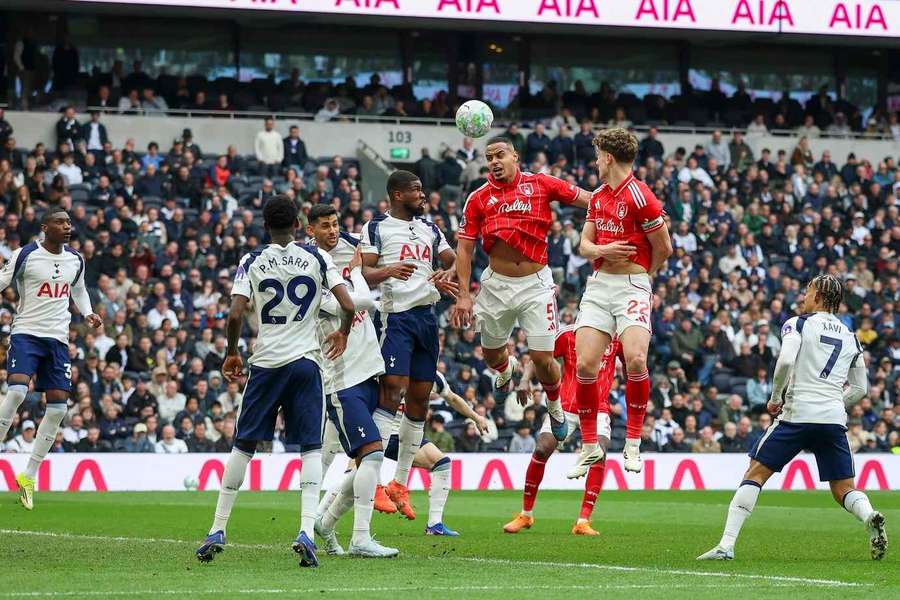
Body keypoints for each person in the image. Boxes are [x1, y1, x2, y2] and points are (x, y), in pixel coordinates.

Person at [195, 195, 355, 567]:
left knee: (244, 444)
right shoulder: (317, 258)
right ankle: (304, 528)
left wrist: (232, 351)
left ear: (265, 226)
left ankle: (218, 528)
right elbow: (348, 305)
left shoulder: (252, 260)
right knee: (310, 448)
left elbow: (236, 313)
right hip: (305, 364)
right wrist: (344, 332)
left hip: (266, 364)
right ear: (299, 225)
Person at [698, 275, 887, 562]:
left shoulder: (798, 323)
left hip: (797, 413)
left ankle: (726, 545)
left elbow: (786, 360)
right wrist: (836, 401)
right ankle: (869, 515)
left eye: (808, 291)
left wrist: (775, 398)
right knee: (843, 488)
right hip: (833, 419)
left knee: (755, 473)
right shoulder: (851, 337)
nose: (803, 296)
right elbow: (861, 389)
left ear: (820, 296)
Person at [451, 137, 592, 459]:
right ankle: (505, 370)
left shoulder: (541, 184)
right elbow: (465, 248)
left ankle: (554, 409)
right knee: (491, 355)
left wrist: (625, 203)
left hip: (537, 285)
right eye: (489, 158)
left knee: (544, 358)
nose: (494, 162)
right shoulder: (478, 198)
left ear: (515, 156)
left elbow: (587, 199)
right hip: (496, 285)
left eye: (500, 155)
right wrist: (463, 295)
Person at [570, 128, 672, 478]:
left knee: (636, 358)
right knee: (584, 365)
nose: (595, 161)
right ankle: (588, 446)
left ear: (608, 157)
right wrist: (603, 251)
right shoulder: (598, 197)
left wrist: (642, 277)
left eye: (598, 155)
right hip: (599, 286)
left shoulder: (641, 196)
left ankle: (632, 443)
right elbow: (584, 245)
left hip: (631, 286)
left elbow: (664, 247)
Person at [360, 171, 457, 521]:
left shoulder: (431, 229)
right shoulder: (376, 228)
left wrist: (449, 274)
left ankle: (399, 483)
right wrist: (388, 271)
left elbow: (454, 261)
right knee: (393, 391)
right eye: (415, 190)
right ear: (397, 194)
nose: (422, 194)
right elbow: (362, 273)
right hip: (395, 318)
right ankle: (371, 480)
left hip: (427, 319)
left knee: (419, 399)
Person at [305, 203, 398, 558]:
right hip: (340, 378)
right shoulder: (309, 267)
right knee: (371, 454)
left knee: (367, 461)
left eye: (334, 224)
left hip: (370, 368)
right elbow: (358, 303)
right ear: (309, 229)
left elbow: (376, 253)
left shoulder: (352, 245)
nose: (332, 231)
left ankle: (325, 524)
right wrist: (359, 274)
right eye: (324, 226)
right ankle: (361, 537)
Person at [0, 208, 103, 509]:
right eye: (60, 222)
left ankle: (28, 476)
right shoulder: (26, 255)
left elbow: (80, 291)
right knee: (18, 390)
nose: (67, 227)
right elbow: (3, 280)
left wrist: (88, 312)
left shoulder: (76, 260)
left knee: (58, 408)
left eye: (69, 222)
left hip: (58, 340)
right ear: (46, 227)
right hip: (27, 334)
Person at [505, 328, 620, 536]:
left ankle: (583, 521)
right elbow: (539, 360)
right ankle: (525, 514)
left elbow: (635, 359)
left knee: (599, 454)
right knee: (541, 449)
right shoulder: (568, 336)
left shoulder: (616, 338)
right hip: (565, 407)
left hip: (598, 410)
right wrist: (524, 380)